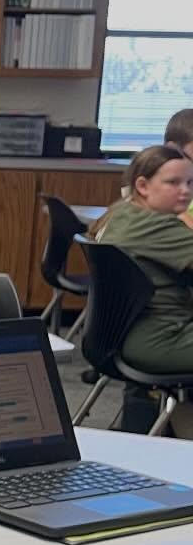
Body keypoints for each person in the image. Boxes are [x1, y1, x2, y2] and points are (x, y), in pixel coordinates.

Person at [97, 144, 193, 386]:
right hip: (164, 339)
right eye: (173, 183)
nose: (185, 191)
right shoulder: (159, 228)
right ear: (142, 186)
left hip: (127, 336)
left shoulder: (123, 216)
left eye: (190, 183)